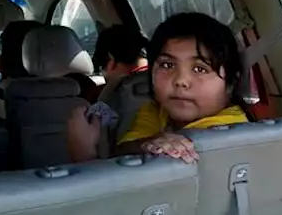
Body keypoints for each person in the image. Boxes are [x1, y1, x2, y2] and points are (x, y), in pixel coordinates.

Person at [67, 13, 248, 163]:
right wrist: (151, 143)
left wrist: (85, 153)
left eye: (200, 69)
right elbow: (126, 149)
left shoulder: (229, 134)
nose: (181, 81)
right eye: (167, 65)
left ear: (231, 81)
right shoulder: (156, 111)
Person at [92, 24, 150, 94]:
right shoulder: (160, 80)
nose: (105, 74)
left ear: (111, 59)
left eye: (102, 66)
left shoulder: (118, 96)